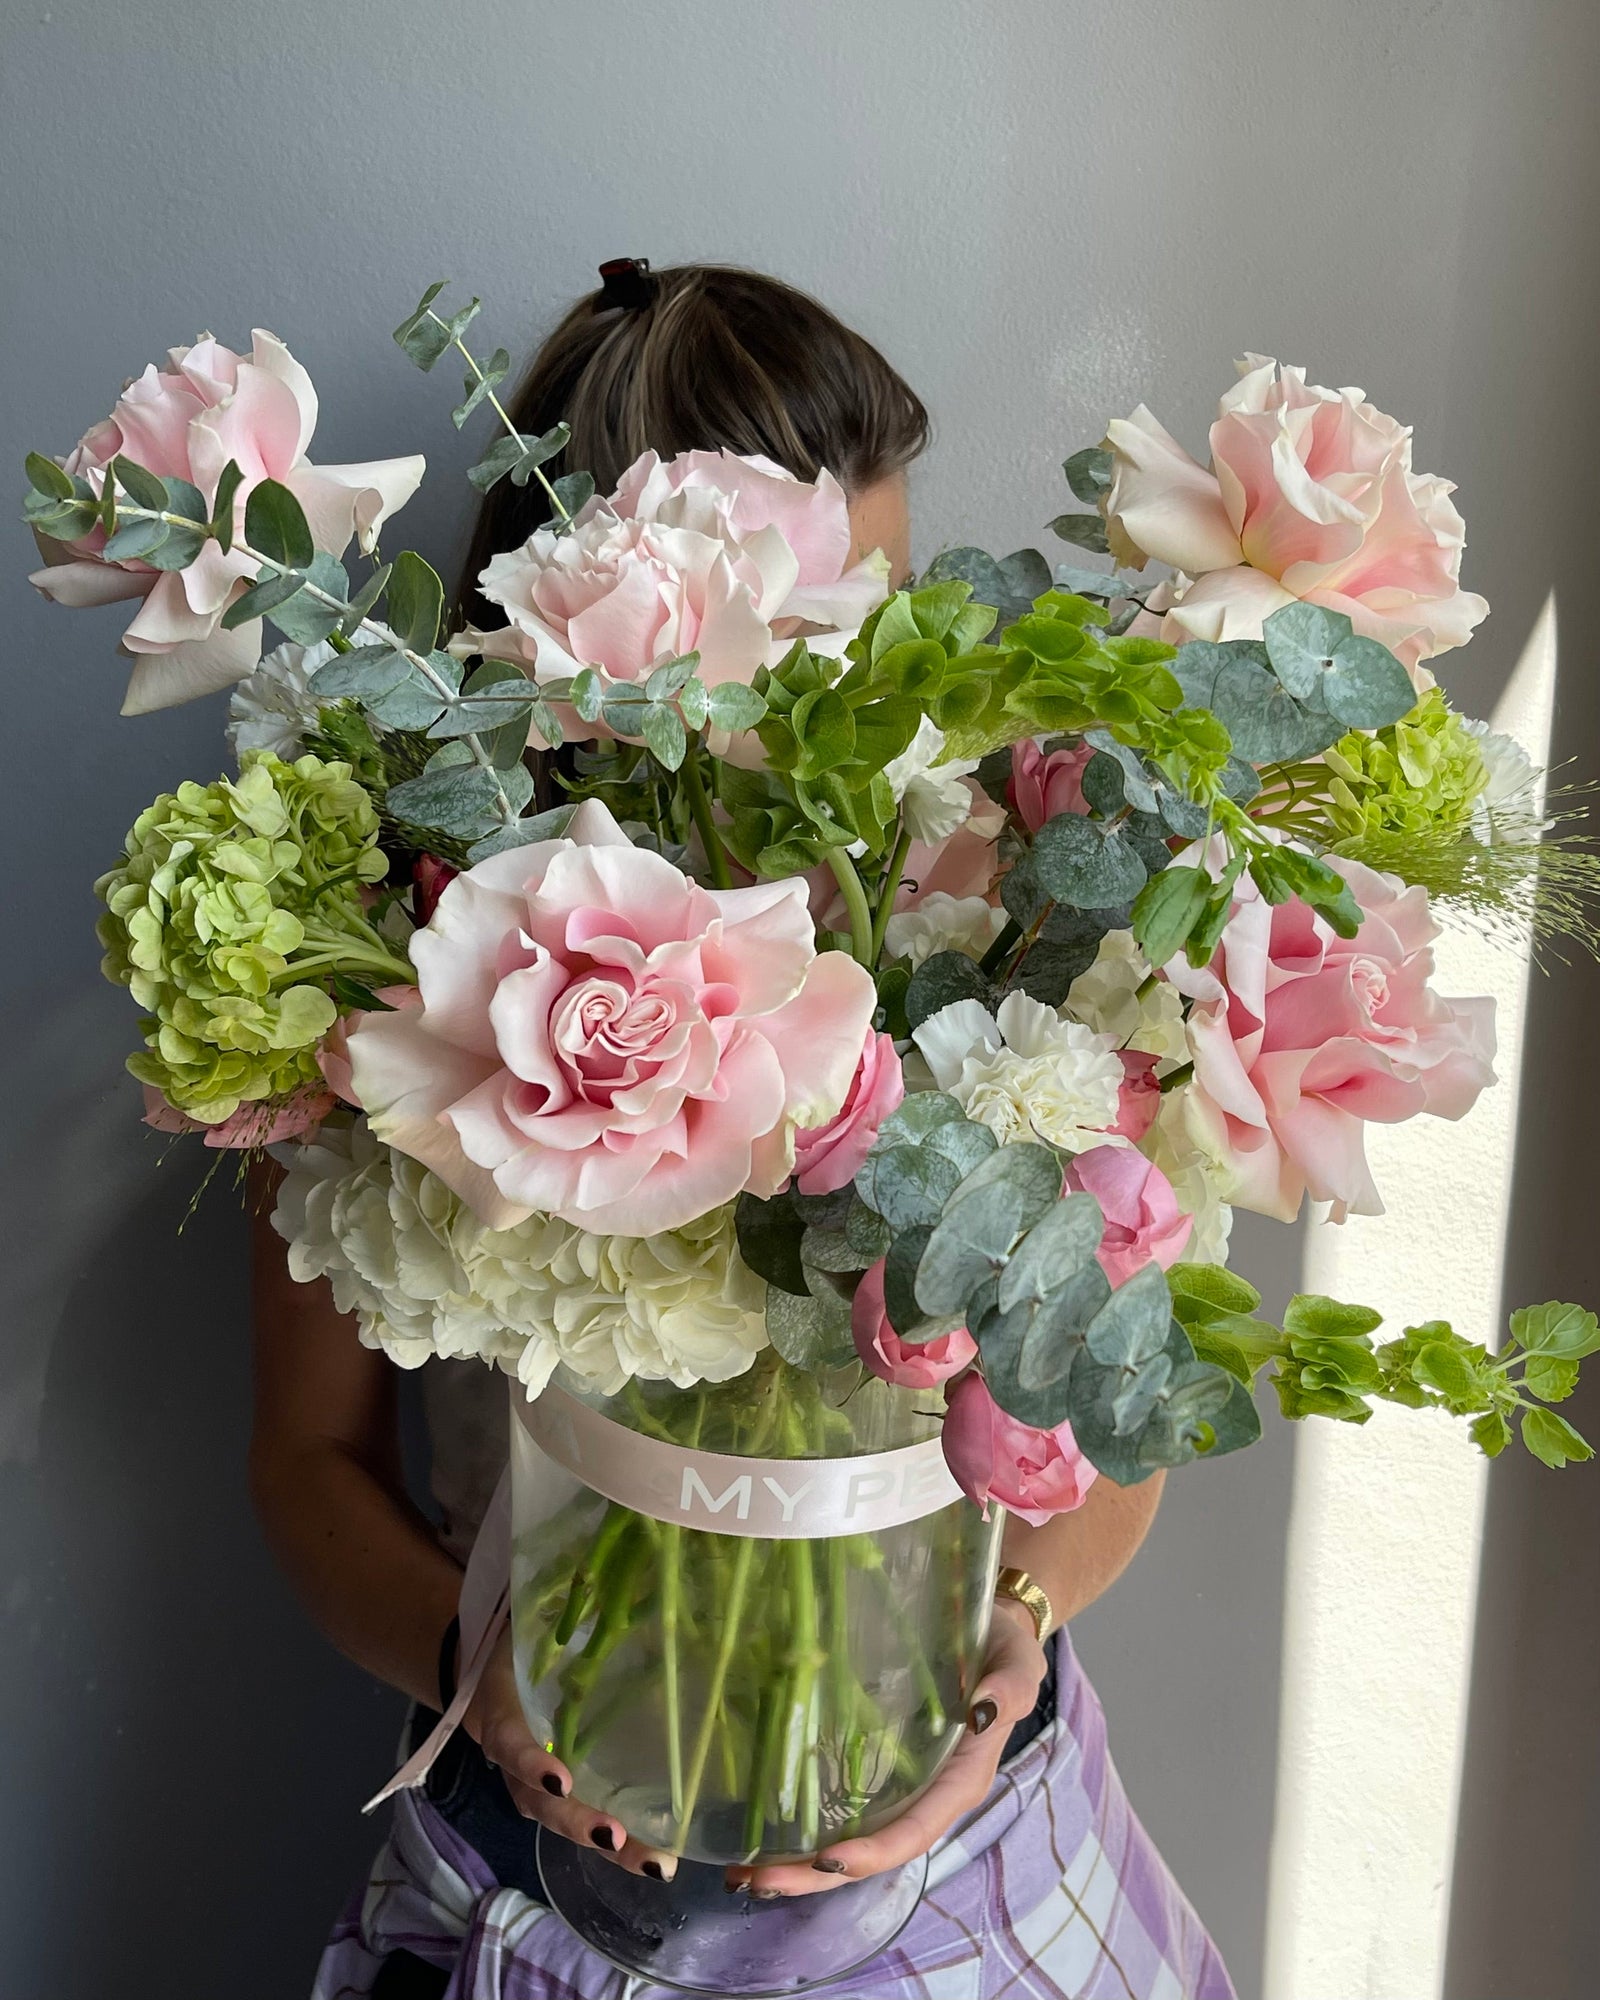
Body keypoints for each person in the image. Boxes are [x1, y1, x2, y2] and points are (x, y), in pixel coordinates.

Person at [251, 260, 1237, 1999]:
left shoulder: (1014, 933)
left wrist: (1021, 1626)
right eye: (812, 633)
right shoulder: (397, 968)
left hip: (971, 1859)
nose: (880, 682)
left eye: (901, 603)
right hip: (553, 1872)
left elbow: (1110, 1422)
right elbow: (306, 1456)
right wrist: (471, 1664)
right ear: (624, 615)